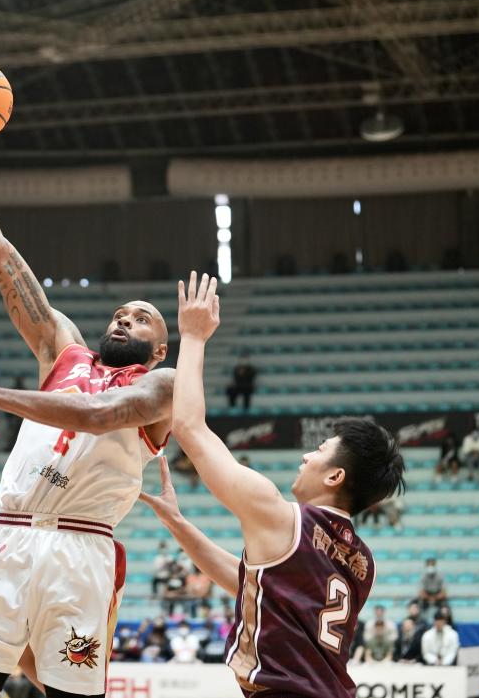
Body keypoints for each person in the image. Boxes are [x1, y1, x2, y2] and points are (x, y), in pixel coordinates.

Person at [0, 103, 175, 698]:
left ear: (160, 348)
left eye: (140, 318)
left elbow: (100, 416)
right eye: (120, 312)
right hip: (8, 538)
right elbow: (3, 256)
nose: (124, 317)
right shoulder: (63, 352)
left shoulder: (165, 388)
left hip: (80, 548)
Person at [140, 272, 405, 698]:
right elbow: (250, 583)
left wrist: (193, 336)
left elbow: (188, 428)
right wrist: (177, 523)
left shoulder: (280, 514)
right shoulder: (361, 560)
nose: (306, 457)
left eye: (318, 451)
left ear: (336, 476)